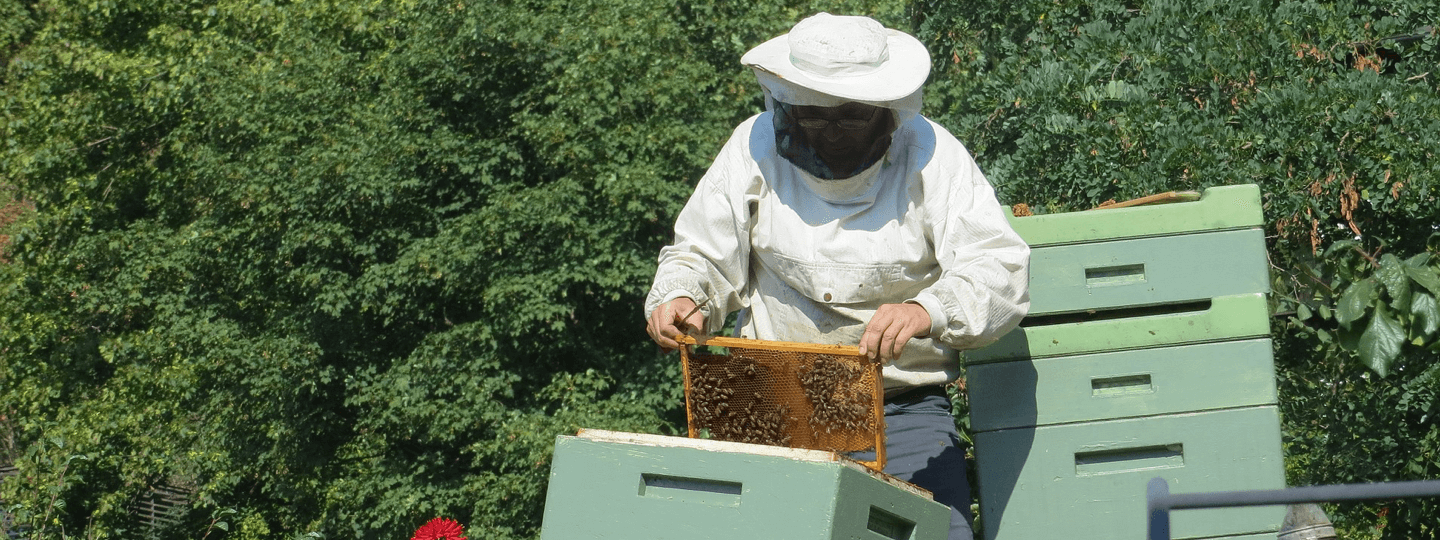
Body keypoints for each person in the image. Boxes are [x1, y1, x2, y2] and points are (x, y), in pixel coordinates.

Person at [643, 13, 1029, 540]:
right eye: (814, 117)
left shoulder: (933, 156)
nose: (831, 132)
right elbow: (703, 256)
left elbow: (998, 267)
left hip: (902, 408)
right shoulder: (750, 148)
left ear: (884, 111)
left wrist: (927, 310)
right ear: (788, 105)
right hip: (770, 404)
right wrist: (682, 297)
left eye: (849, 119)